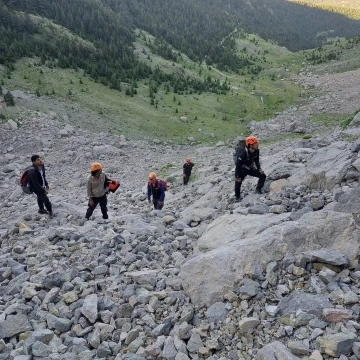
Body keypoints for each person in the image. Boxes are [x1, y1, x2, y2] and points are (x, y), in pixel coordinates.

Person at [234, 136, 266, 201]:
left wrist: (259, 169)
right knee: (238, 182)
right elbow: (238, 166)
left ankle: (258, 189)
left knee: (263, 175)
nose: (257, 144)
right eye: (255, 143)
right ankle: (237, 196)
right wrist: (237, 176)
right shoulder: (243, 153)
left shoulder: (256, 151)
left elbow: (257, 161)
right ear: (250, 145)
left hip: (250, 168)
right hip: (242, 170)